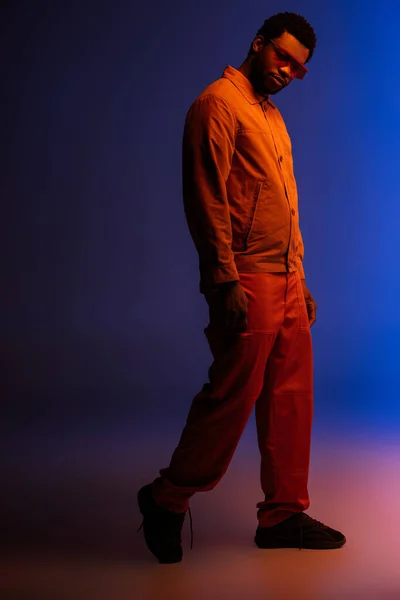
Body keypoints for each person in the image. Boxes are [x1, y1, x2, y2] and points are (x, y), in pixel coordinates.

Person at [137, 12, 346, 563]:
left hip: (286, 276)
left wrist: (299, 276)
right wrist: (223, 278)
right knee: (231, 396)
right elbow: (206, 200)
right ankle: (167, 498)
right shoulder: (218, 105)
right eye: (282, 57)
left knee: (291, 397)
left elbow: (285, 205)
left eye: (298, 68)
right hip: (246, 276)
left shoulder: (272, 117)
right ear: (259, 44)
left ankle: (282, 515)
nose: (286, 71)